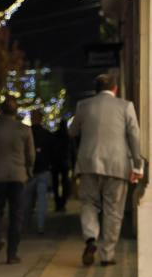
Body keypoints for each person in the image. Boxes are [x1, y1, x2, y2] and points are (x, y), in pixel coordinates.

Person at [69, 74, 143, 266]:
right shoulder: (126, 106)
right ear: (115, 89)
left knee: (88, 203)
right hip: (117, 166)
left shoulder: (83, 106)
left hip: (88, 164)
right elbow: (134, 136)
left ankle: (90, 238)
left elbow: (72, 131)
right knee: (113, 210)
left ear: (96, 88)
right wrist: (138, 165)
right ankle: (107, 255)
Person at [0, 96, 35, 264]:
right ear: (16, 111)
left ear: (0, 110)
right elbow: (31, 155)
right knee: (17, 214)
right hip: (18, 176)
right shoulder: (24, 130)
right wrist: (28, 169)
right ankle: (12, 253)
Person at [23, 110, 53, 234]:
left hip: (29, 171)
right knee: (42, 201)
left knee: (27, 200)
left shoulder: (26, 134)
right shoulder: (46, 134)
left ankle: (26, 224)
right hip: (43, 170)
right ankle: (40, 226)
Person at [51, 119, 73, 212]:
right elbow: (72, 151)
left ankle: (57, 202)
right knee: (65, 182)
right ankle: (63, 202)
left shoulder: (54, 136)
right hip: (65, 163)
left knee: (55, 183)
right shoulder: (68, 137)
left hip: (55, 162)